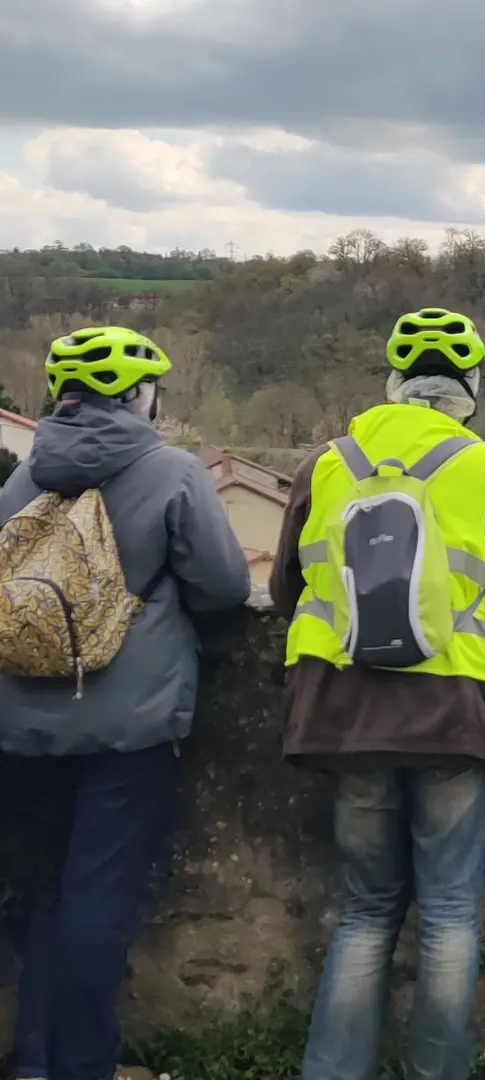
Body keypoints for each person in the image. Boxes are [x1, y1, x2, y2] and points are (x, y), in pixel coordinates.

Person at [271, 308, 485, 1080]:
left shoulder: (324, 465)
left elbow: (282, 590)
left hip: (341, 712)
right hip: (454, 717)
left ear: (393, 384)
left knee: (366, 911)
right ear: (468, 390)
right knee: (447, 915)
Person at [0, 327, 253, 1080]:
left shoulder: (21, 478)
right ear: (140, 397)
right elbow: (224, 588)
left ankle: (35, 1061)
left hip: (18, 726)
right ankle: (82, 1064)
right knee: (97, 901)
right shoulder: (170, 470)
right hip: (126, 727)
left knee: (41, 894)